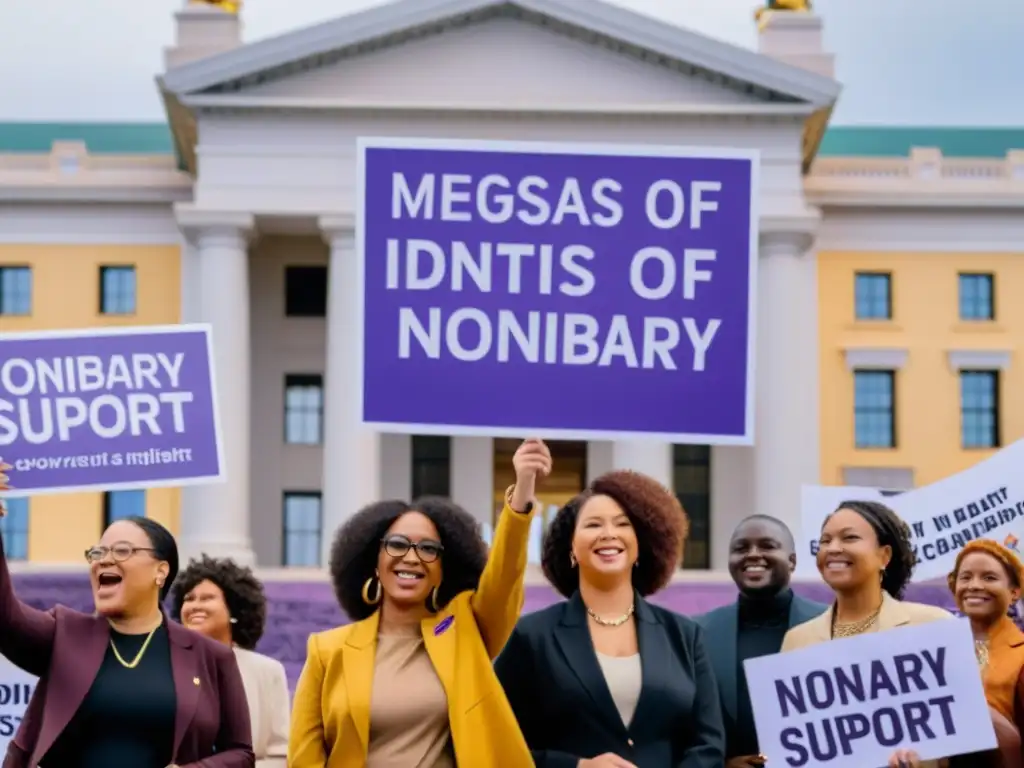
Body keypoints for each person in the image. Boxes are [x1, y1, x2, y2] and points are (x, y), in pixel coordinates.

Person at [288, 438, 552, 767]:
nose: (412, 558)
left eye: (428, 549)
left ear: (444, 570)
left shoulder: (465, 629)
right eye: (397, 545)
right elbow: (304, 758)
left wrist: (523, 490)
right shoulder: (326, 652)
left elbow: (504, 579)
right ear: (374, 560)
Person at [0, 462, 253, 768]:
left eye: (121, 551)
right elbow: (5, 619)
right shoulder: (65, 634)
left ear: (161, 571)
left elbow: (240, 752)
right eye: (97, 553)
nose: (103, 560)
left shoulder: (211, 657)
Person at [495, 470, 725, 768]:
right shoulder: (532, 636)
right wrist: (577, 766)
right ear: (571, 549)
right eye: (593, 524)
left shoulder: (685, 636)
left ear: (641, 545)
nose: (608, 534)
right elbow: (499, 740)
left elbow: (709, 744)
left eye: (622, 524)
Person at [781, 500, 953, 768]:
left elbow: (961, 736)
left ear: (884, 556)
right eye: (825, 541)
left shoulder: (933, 627)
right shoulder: (796, 641)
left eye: (849, 537)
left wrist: (922, 758)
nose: (833, 548)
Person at [697, 515, 827, 767]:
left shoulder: (832, 624)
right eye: (741, 548)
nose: (753, 555)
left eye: (767, 546)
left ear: (792, 561)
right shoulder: (696, 632)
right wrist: (722, 765)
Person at [172, 555, 290, 767]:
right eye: (189, 599)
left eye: (207, 598)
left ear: (234, 611)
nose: (195, 606)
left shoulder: (266, 671)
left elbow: (281, 755)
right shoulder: (165, 665)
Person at [946, 540, 1024, 768]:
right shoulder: (934, 653)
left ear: (1014, 592)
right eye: (965, 577)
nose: (974, 586)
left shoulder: (1020, 655)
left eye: (989, 577)